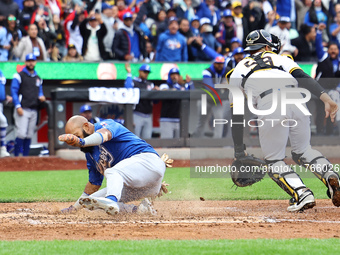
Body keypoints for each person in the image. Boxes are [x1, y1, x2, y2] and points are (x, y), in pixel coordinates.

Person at [228, 29, 340, 212]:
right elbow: (303, 78)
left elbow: (237, 115)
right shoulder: (282, 59)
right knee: (303, 151)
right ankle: (330, 174)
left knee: (274, 161)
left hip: (269, 103)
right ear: (266, 47)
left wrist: (239, 150)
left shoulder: (237, 69)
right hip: (297, 99)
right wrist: (326, 98)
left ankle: (302, 193)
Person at [58, 115, 168, 215]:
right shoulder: (91, 154)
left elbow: (105, 135)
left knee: (112, 172)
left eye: (77, 136)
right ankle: (140, 211)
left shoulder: (105, 125)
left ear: (86, 126)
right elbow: (93, 184)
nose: (76, 143)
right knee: (89, 203)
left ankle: (111, 200)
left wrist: (82, 141)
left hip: (148, 162)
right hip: (142, 185)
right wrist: (74, 208)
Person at [11, 53, 45, 156]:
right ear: (26, 62)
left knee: (29, 135)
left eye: (32, 61)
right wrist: (17, 106)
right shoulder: (19, 75)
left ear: (35, 62)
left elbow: (40, 91)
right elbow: (14, 91)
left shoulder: (38, 77)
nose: (31, 63)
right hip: (23, 108)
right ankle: (17, 156)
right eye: (29, 61)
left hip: (34, 109)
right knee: (21, 133)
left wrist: (41, 96)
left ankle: (25, 158)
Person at [192, 56, 230, 138]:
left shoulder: (227, 70)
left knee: (219, 121)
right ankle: (195, 140)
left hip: (218, 101)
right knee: (201, 122)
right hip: (205, 100)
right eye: (218, 64)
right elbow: (209, 88)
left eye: (221, 64)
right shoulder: (207, 71)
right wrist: (222, 86)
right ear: (214, 63)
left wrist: (228, 85)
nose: (220, 66)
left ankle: (217, 143)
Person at [125, 63, 158, 139]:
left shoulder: (150, 84)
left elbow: (155, 101)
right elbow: (127, 88)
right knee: (135, 139)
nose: (146, 74)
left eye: (147, 72)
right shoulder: (134, 82)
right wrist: (129, 73)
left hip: (148, 115)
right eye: (144, 72)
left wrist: (155, 92)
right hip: (137, 114)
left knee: (147, 140)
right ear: (139, 71)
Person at [159, 67, 193, 138]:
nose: (174, 76)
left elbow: (192, 93)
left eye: (176, 74)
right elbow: (165, 91)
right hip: (166, 119)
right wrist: (179, 88)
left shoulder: (181, 87)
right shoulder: (165, 85)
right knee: (167, 144)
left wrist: (190, 83)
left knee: (178, 145)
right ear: (169, 76)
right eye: (172, 74)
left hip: (178, 120)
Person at [0, 69, 11, 157]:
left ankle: (2, 148)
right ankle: (2, 148)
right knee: (3, 121)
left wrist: (5, 96)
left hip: (1, 104)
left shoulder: (1, 72)